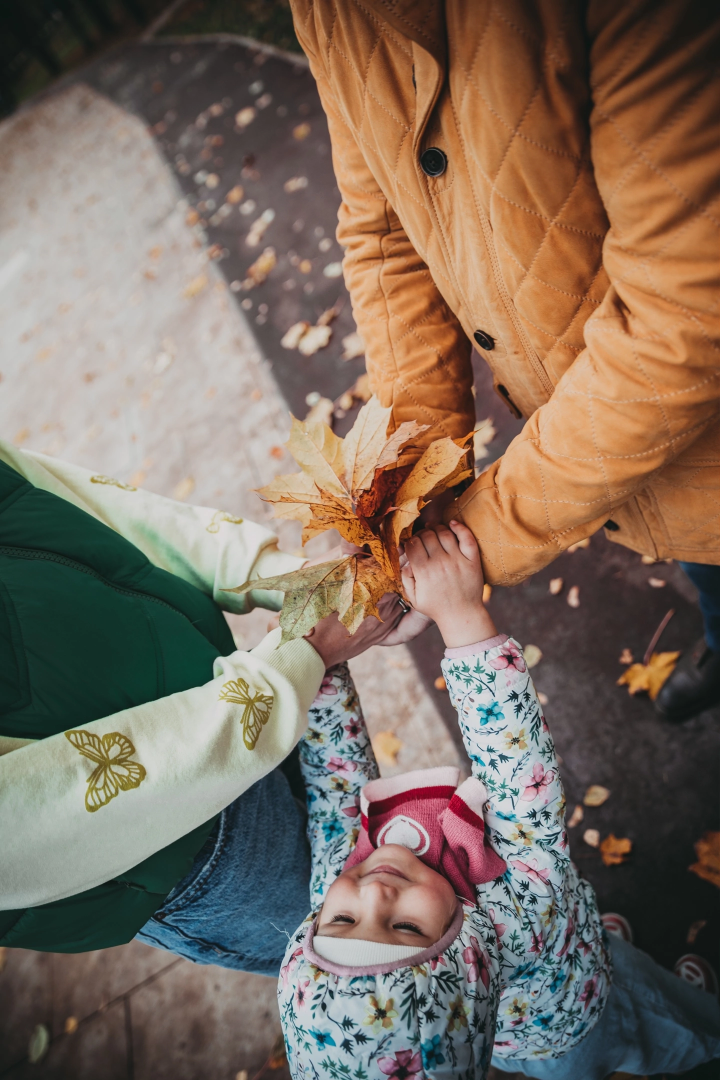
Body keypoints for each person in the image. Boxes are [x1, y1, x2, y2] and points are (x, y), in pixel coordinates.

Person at [288, 0, 720, 721]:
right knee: (702, 549)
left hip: (687, 400)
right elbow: (385, 231)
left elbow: (686, 309)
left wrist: (475, 541)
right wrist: (405, 497)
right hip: (635, 450)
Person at [277, 522, 720, 1078]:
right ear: (468, 955)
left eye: (342, 919)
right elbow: (519, 774)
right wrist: (461, 618)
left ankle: (585, 939)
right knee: (652, 1021)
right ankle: (697, 1034)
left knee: (579, 938)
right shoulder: (521, 921)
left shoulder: (333, 890)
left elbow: (334, 784)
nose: (376, 893)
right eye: (406, 929)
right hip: (577, 1018)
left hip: (518, 1016)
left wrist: (321, 661)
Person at [0, 441, 417, 972]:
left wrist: (297, 595)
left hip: (231, 686)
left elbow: (59, 500)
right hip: (178, 851)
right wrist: (304, 656)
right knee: (366, 961)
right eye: (402, 922)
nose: (378, 899)